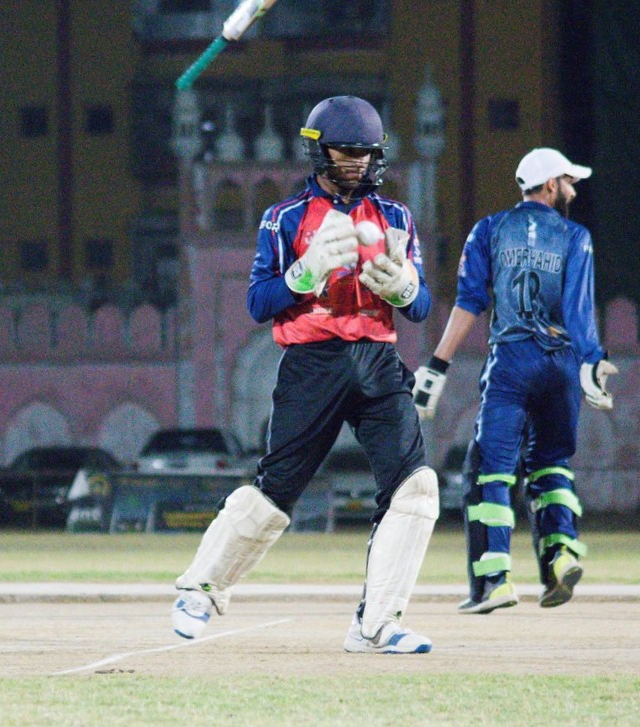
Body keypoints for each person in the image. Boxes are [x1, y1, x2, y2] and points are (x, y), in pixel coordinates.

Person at [171, 96, 439, 654]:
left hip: (377, 360)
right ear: (319, 151)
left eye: (368, 153)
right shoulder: (285, 218)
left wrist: (404, 287)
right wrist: (303, 272)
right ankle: (201, 589)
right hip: (312, 361)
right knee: (277, 490)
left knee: (415, 488)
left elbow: (420, 308)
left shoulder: (396, 217)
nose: (360, 163)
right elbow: (258, 303)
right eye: (347, 152)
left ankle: (377, 623)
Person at [412, 147, 618, 614]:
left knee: (490, 470)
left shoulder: (488, 229)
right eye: (569, 182)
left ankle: (495, 581)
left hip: (511, 360)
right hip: (562, 363)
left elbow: (470, 301)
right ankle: (561, 553)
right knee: (551, 464)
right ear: (551, 185)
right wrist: (592, 360)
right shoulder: (575, 236)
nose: (573, 190)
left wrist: (438, 365)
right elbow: (579, 310)